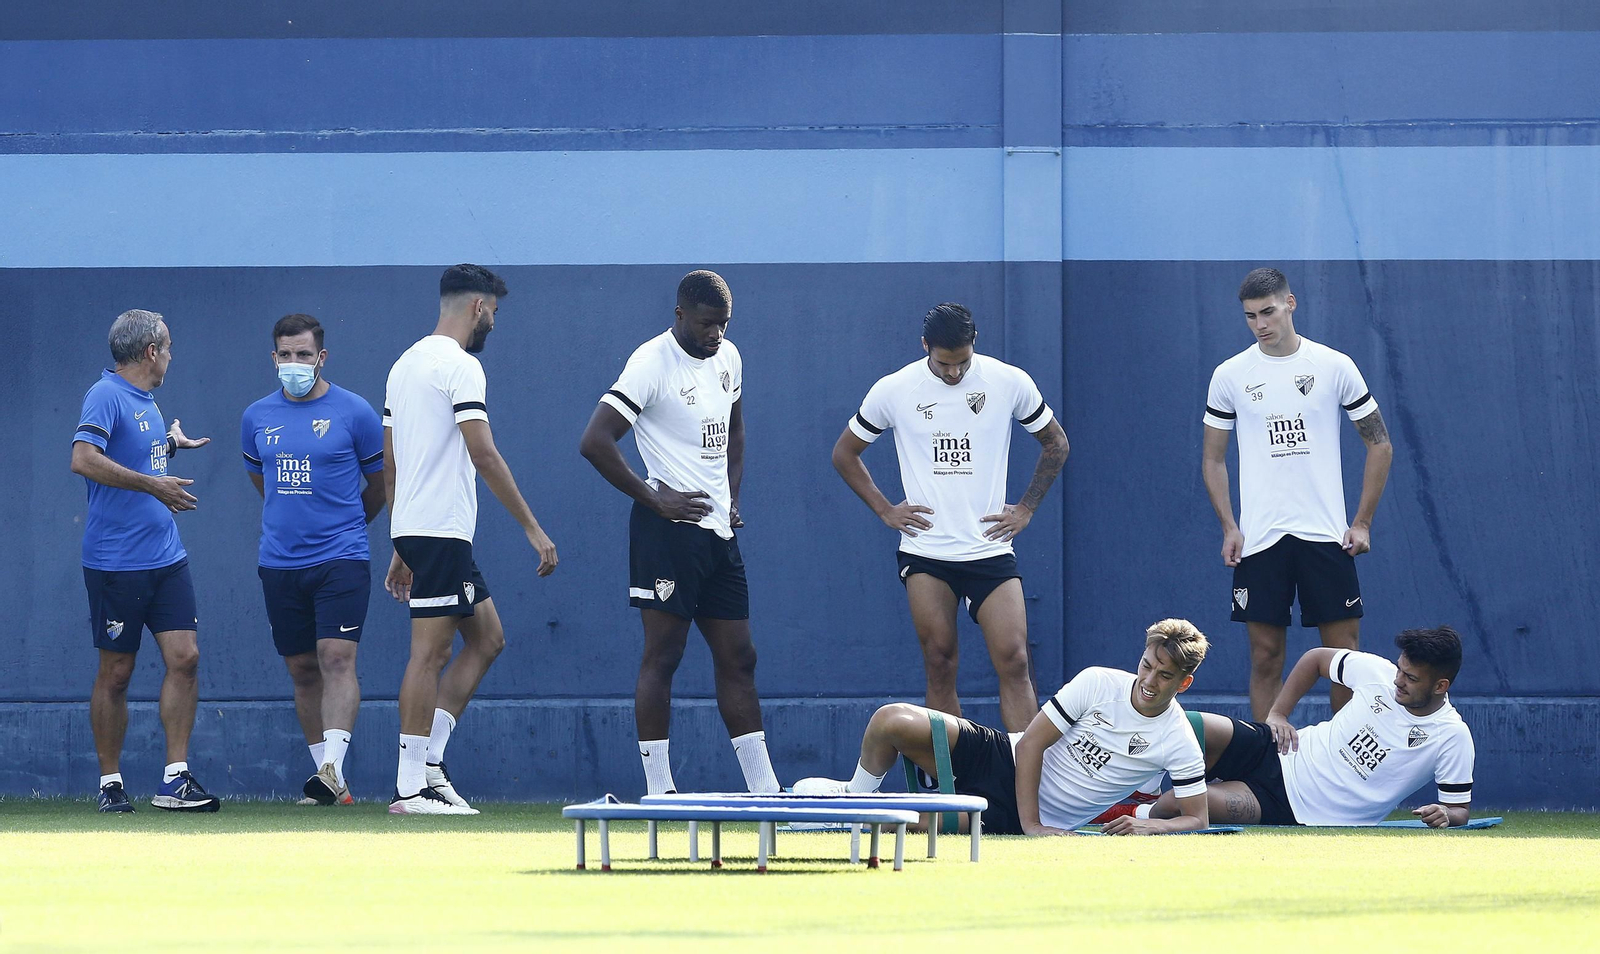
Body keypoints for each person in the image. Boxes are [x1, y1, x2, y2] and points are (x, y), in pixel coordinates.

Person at [579, 269, 780, 795]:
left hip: (717, 535)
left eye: (724, 324)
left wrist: (732, 497)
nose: (716, 334)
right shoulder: (651, 363)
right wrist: (656, 499)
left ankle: (766, 792)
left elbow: (735, 431)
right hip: (666, 533)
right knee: (664, 656)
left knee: (740, 657)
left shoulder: (729, 357)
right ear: (680, 314)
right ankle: (659, 789)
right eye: (707, 323)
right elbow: (595, 441)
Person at [832, 303, 1069, 733]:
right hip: (926, 552)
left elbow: (1056, 443)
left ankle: (1024, 770)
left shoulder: (1008, 381)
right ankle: (951, 774)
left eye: (962, 362)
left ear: (974, 343)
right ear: (925, 346)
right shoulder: (895, 389)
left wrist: (1026, 508)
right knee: (940, 662)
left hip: (990, 550)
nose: (954, 373)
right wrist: (885, 509)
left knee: (1015, 660)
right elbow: (845, 453)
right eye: (944, 364)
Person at [383, 265, 559, 815]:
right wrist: (532, 527)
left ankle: (431, 764)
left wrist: (399, 542)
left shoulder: (403, 365)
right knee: (430, 653)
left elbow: (391, 462)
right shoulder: (461, 366)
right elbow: (482, 452)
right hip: (438, 530)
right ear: (478, 307)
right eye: (495, 313)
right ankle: (409, 788)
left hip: (426, 531)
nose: (494, 326)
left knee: (487, 639)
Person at [798, 619, 1212, 835]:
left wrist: (1150, 824)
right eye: (1146, 665)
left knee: (897, 822)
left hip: (1010, 815)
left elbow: (1198, 818)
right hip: (1002, 755)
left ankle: (841, 816)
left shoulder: (1179, 739)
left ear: (1184, 683)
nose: (1148, 681)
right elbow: (1030, 744)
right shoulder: (1098, 681)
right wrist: (1034, 828)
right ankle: (855, 795)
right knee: (891, 719)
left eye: (1164, 675)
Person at [1202, 267, 1394, 718]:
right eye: (1250, 316)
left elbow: (1380, 444)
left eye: (1268, 312)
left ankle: (1343, 756)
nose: (1260, 324)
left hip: (1326, 536)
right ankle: (1267, 758)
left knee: (1344, 659)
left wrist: (1362, 522)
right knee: (1265, 657)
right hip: (1260, 538)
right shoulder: (1230, 375)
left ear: (1290, 304)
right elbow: (1213, 459)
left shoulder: (1334, 366)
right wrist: (1229, 526)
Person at [71, 309, 218, 813]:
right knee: (116, 672)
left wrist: (169, 446)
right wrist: (154, 484)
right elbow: (83, 458)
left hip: (166, 556)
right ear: (151, 351)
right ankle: (110, 783)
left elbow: (132, 457)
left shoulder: (146, 399)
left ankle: (175, 780)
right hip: (116, 561)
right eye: (168, 347)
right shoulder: (105, 394)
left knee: (186, 658)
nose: (171, 356)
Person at [241, 314, 385, 806]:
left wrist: (345, 526)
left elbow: (380, 485)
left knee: (337, 658)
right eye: (286, 354)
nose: (294, 363)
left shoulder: (355, 412)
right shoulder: (256, 417)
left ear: (321, 357)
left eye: (303, 354)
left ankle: (331, 770)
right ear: (273, 357)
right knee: (302, 668)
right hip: (279, 562)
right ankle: (332, 786)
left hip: (342, 558)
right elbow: (264, 484)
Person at [1133, 628, 1475, 828]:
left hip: (1295, 806)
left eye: (1410, 678)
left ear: (1440, 686)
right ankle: (1138, 793)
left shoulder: (1452, 736)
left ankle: (1134, 812)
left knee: (1176, 804)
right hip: (1280, 749)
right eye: (1400, 670)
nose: (1398, 681)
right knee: (1189, 724)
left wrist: (1446, 813)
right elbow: (1315, 659)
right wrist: (1278, 714)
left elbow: (1460, 810)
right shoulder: (1378, 673)